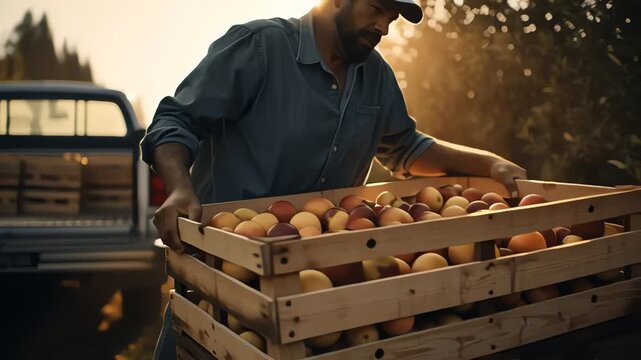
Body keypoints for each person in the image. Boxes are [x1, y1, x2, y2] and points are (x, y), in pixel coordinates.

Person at [141, 0, 527, 357]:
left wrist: (489, 163)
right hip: (226, 284)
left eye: (391, 18)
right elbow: (176, 120)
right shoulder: (261, 46)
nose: (383, 27)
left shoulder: (376, 75)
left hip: (325, 296)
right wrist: (179, 188)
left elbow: (406, 147)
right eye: (377, 9)